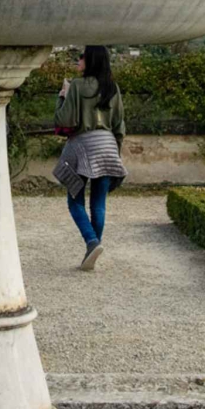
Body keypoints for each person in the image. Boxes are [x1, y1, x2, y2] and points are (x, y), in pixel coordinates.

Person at [53, 46, 127, 271]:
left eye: (82, 56)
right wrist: (116, 152)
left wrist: (62, 97)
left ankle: (91, 241)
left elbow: (63, 120)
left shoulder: (76, 85)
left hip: (84, 146)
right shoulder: (113, 87)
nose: (79, 60)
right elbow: (119, 125)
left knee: (74, 200)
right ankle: (93, 249)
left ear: (91, 60)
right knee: (99, 202)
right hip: (108, 146)